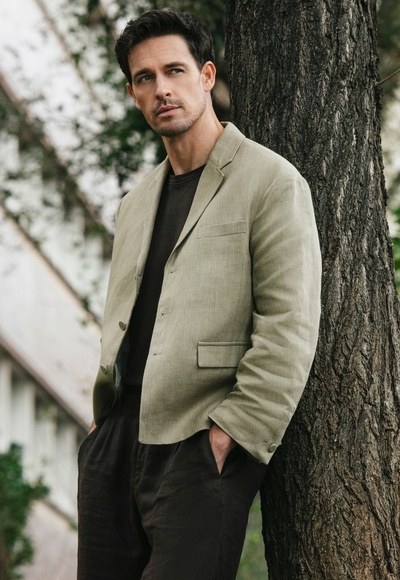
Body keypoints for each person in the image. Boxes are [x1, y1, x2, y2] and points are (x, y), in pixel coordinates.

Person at [77, 8, 321, 580]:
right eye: (144, 78)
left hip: (199, 442)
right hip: (117, 438)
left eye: (175, 70)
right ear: (134, 94)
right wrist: (101, 429)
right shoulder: (135, 203)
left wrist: (233, 433)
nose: (162, 89)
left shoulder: (270, 181)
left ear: (206, 76)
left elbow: (290, 322)